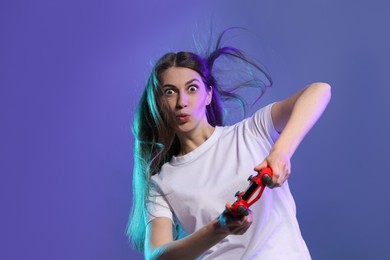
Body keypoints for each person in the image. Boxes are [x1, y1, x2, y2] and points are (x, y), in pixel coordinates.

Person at [126, 30, 331, 259]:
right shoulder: (161, 183)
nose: (181, 102)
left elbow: (319, 90)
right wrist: (220, 228)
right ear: (158, 103)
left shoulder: (252, 131)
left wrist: (280, 152)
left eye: (192, 89)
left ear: (208, 95)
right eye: (169, 92)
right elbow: (156, 255)